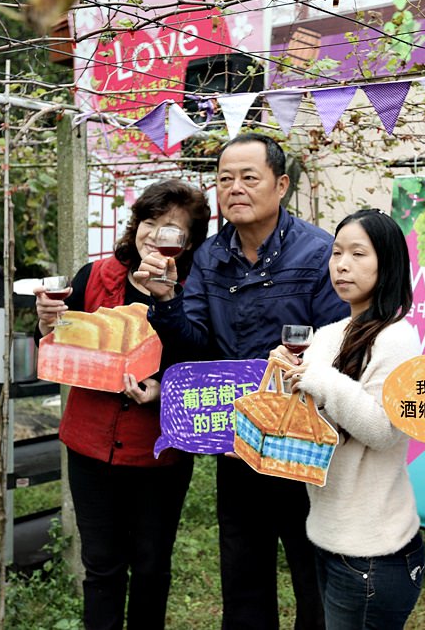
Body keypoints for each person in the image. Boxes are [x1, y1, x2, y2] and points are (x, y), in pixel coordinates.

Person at [135, 133, 350, 630]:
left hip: (302, 444)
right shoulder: (208, 258)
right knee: (243, 573)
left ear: (281, 185)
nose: (235, 188)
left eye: (249, 177)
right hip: (237, 442)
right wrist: (166, 301)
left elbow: (337, 349)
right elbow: (193, 346)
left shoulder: (319, 253)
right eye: (224, 179)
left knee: (312, 572)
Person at [34, 179, 211, 630]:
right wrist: (45, 324)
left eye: (172, 229)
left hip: (160, 452)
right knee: (101, 566)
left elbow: (197, 357)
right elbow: (57, 346)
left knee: (151, 566)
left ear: (189, 242)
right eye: (149, 222)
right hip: (90, 447)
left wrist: (167, 301)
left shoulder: (195, 289)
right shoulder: (95, 277)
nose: (156, 235)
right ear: (136, 225)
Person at [270, 209, 425, 630]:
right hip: (326, 533)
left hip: (374, 548)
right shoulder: (328, 334)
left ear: (388, 263)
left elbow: (383, 430)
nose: (341, 264)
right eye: (337, 252)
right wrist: (287, 377)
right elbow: (308, 421)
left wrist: (319, 377)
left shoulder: (396, 338)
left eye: (358, 253)